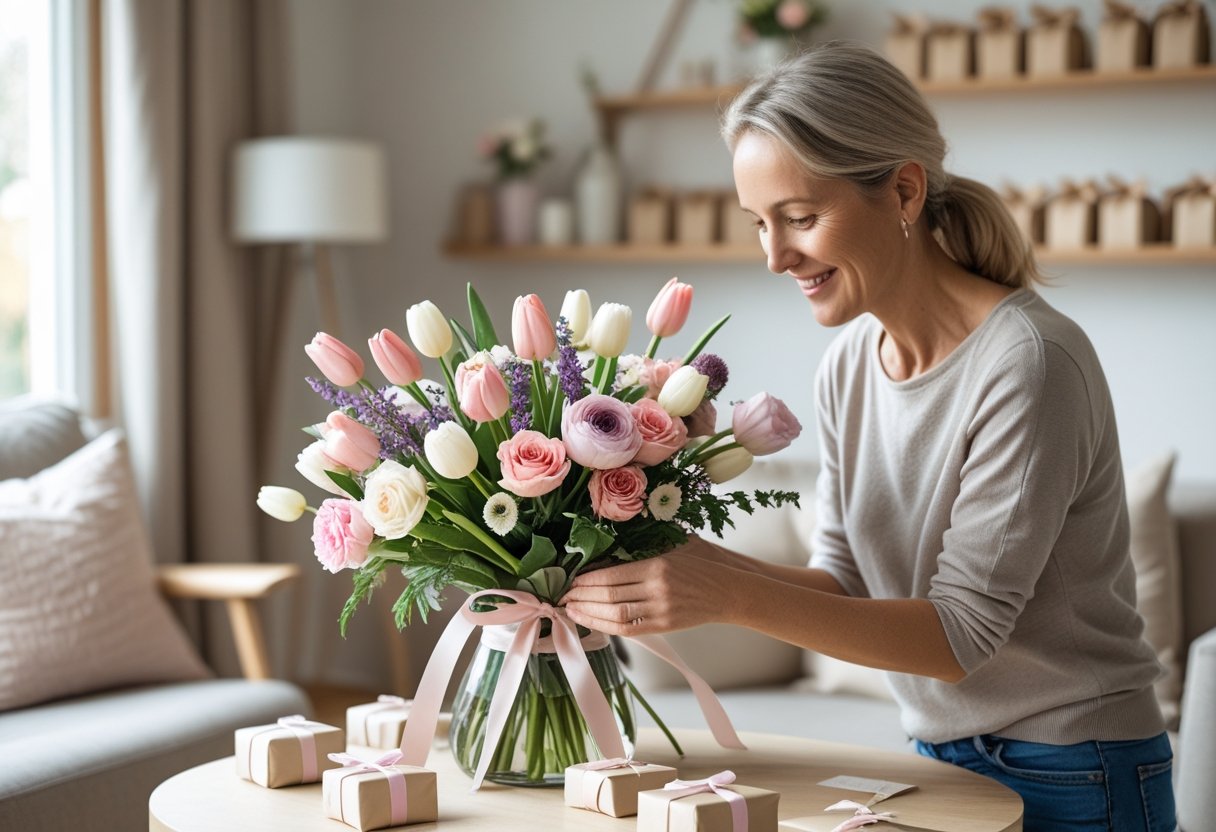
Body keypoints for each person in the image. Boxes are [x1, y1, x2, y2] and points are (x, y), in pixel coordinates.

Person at [562, 41, 1175, 832]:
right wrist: (690, 563)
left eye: (800, 218)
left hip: (1078, 765)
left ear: (904, 191)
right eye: (759, 224)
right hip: (934, 751)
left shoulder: (1030, 362)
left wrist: (729, 593)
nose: (775, 257)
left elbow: (960, 636)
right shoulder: (851, 361)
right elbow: (847, 581)